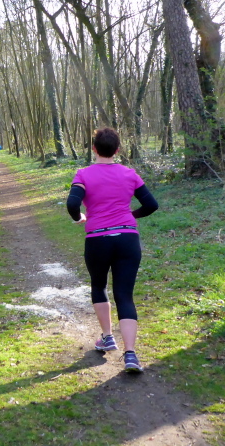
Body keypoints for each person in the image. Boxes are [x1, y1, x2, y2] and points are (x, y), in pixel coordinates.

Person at [66, 128, 158, 373]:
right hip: (128, 238)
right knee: (125, 295)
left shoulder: (83, 174)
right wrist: (129, 216)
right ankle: (131, 354)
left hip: (98, 239)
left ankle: (107, 337)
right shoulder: (129, 174)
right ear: (117, 150)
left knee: (99, 286)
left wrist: (78, 218)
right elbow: (151, 204)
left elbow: (72, 203)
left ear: (94, 148)